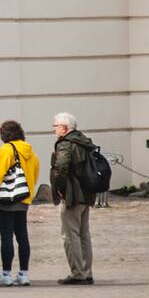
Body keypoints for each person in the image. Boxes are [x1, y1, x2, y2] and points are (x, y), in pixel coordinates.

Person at [0, 120, 40, 287]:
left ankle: (6, 273)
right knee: (22, 236)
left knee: (6, 236)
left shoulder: (6, 149)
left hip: (7, 199)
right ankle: (24, 273)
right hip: (23, 198)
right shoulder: (30, 151)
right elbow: (35, 172)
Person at [50, 112, 95, 285]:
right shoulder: (83, 140)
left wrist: (60, 188)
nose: (54, 129)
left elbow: (61, 166)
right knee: (84, 234)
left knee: (70, 235)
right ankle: (86, 271)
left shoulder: (66, 144)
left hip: (73, 194)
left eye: (55, 126)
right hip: (87, 193)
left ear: (64, 128)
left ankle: (78, 273)